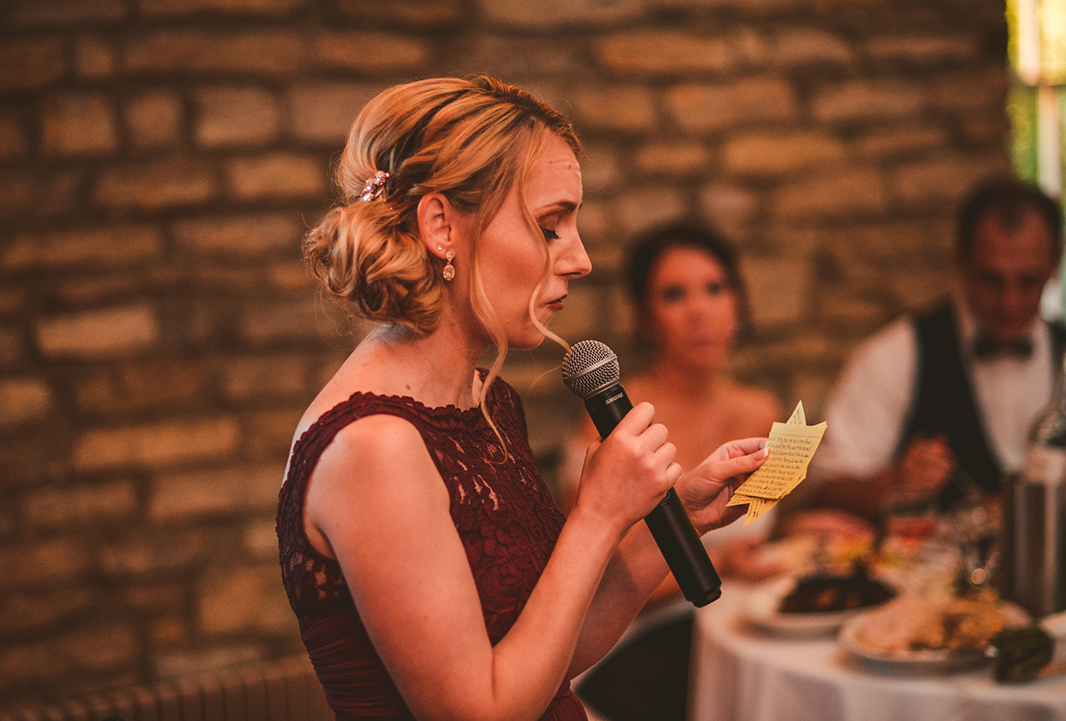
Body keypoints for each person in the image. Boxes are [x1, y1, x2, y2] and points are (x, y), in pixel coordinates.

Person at [275, 75, 769, 721]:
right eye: (550, 225)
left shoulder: (486, 400)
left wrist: (679, 522)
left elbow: (551, 654)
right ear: (441, 226)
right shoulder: (374, 446)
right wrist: (595, 516)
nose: (582, 259)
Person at [553, 221, 783, 721]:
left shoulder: (763, 410)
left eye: (715, 289)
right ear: (644, 317)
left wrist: (815, 527)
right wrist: (720, 565)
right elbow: (584, 586)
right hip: (637, 643)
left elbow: (761, 535)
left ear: (737, 304)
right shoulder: (612, 422)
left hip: (751, 626)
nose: (700, 311)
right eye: (674, 295)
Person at [808, 178, 1064, 521]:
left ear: (1055, 264)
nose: (1010, 302)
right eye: (992, 280)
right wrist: (894, 481)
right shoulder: (896, 355)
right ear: (959, 260)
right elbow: (825, 491)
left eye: (1028, 281)